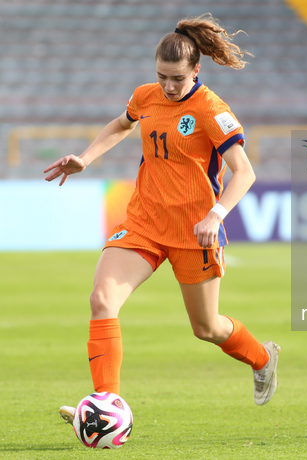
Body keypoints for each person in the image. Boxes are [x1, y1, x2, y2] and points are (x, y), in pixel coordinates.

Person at [44, 14, 281, 425]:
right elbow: (121, 124)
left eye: (177, 78)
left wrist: (215, 214)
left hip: (195, 232)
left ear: (196, 71)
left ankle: (262, 357)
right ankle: (107, 405)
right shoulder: (146, 96)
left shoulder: (211, 108)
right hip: (144, 223)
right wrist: (85, 158)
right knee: (102, 300)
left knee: (207, 328)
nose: (169, 86)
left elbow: (245, 171)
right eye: (161, 76)